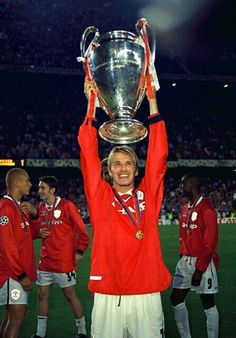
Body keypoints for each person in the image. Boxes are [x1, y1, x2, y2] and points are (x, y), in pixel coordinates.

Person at [78, 78, 171, 338]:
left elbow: (159, 156)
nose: (122, 168)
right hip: (108, 292)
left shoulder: (148, 195)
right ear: (108, 171)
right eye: (116, 164)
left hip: (146, 290)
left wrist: (152, 101)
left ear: (136, 169)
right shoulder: (100, 197)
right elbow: (87, 153)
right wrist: (91, 105)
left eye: (128, 163)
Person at [27, 176, 90, 338]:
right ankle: (40, 334)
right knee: (42, 295)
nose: (39, 190)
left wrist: (80, 251)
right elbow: (34, 233)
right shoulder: (40, 207)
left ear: (52, 190)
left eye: (42, 188)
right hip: (46, 261)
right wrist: (39, 233)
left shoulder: (67, 206)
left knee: (70, 295)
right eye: (39, 188)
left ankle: (82, 331)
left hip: (64, 262)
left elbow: (83, 231)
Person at [170, 174, 220, 338]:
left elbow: (209, 243)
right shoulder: (185, 208)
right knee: (176, 298)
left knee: (208, 303)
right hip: (185, 261)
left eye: (183, 183)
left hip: (202, 263)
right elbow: (182, 235)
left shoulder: (207, 209)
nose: (180, 185)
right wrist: (182, 254)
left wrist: (199, 269)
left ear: (192, 185)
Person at [0, 168, 37, 338]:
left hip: (17, 273)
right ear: (17, 183)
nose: (30, 184)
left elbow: (31, 236)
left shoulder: (18, 207)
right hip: (12, 275)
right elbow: (7, 246)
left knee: (10, 318)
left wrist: (34, 215)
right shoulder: (6, 208)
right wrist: (22, 276)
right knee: (16, 319)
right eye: (27, 180)